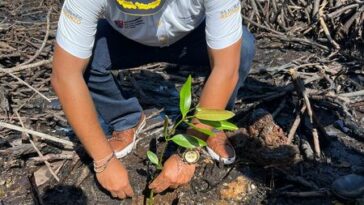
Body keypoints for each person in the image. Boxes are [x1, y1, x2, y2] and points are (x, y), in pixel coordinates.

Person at [51, 0, 255, 199]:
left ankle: (213, 126)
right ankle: (125, 119)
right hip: (127, 40)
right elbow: (65, 75)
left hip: (192, 38)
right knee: (85, 57)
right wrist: (103, 160)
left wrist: (188, 153)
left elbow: (225, 69)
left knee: (242, 47)